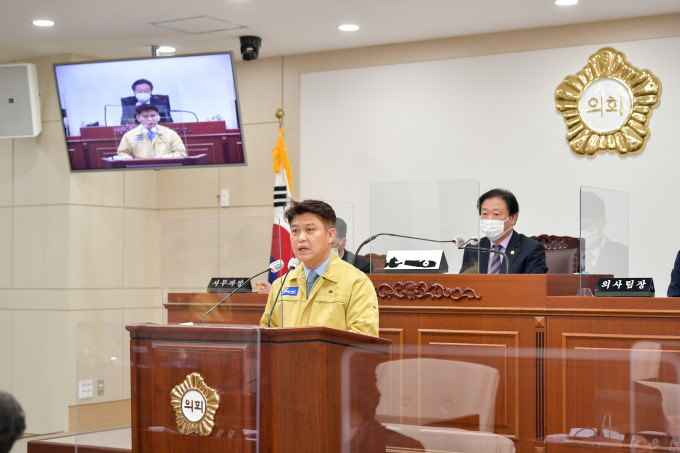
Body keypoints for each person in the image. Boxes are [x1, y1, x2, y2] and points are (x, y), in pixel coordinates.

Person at [259, 199, 379, 336]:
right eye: (295, 231)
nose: (301, 238)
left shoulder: (357, 283)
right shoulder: (280, 285)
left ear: (330, 235)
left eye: (310, 230)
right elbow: (266, 335)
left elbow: (362, 342)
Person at [460, 188, 548, 274]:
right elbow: (463, 284)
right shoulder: (473, 248)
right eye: (485, 214)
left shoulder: (531, 249)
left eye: (496, 214)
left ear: (513, 217)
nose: (490, 219)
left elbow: (534, 286)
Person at [580, 191, 629, 277]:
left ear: (602, 221)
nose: (580, 232)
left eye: (584, 226)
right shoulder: (564, 256)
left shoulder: (623, 255)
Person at [116, 104, 186, 160]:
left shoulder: (170, 133)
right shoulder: (129, 135)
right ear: (138, 118)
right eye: (145, 117)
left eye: (153, 116)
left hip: (165, 168)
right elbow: (122, 153)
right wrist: (126, 157)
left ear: (158, 116)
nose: (150, 119)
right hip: (140, 170)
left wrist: (163, 158)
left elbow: (181, 153)